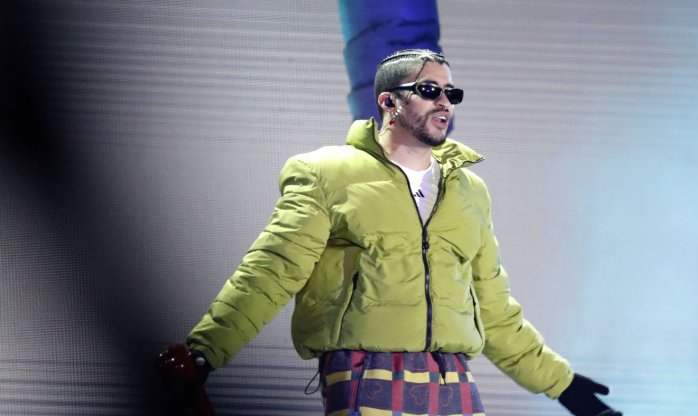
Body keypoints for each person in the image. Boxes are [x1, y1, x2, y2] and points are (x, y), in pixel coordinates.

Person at [161, 49, 621, 416]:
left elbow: (494, 310)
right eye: (428, 90)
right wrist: (206, 352)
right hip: (367, 371)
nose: (444, 102)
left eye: (450, 93)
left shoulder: (468, 190)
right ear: (388, 101)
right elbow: (272, 270)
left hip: (452, 375)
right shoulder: (326, 173)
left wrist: (561, 385)